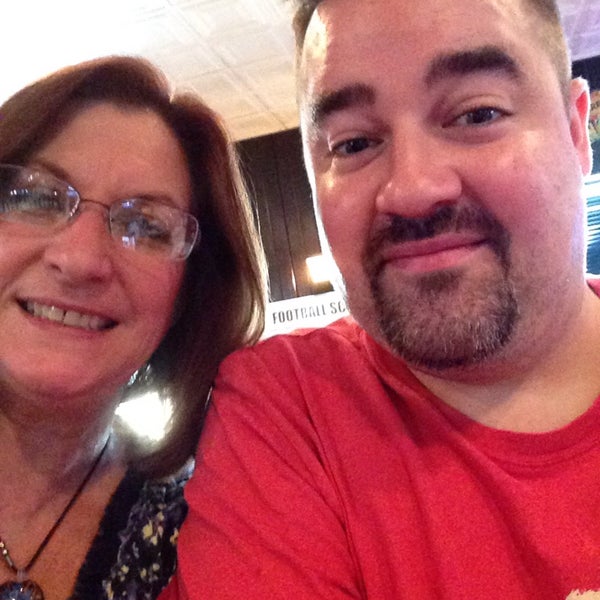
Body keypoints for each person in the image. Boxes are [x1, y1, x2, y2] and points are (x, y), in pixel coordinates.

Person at [164, 0, 600, 598]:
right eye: (353, 144)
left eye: (477, 114)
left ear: (576, 133)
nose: (413, 190)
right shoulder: (290, 406)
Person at [0, 54, 266, 600]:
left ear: (189, 294)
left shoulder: (211, 527)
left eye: (146, 226)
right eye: (36, 197)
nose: (80, 260)